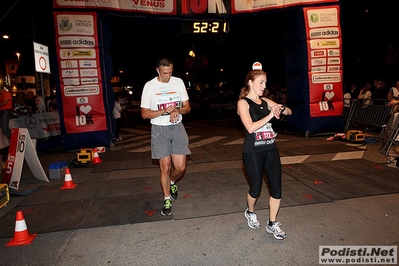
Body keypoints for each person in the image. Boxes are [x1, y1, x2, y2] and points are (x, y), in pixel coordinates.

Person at [237, 68, 292, 240]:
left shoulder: (265, 101)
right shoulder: (243, 103)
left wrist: (280, 109)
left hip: (270, 149)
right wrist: (270, 115)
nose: (264, 86)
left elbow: (289, 111)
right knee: (256, 188)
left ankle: (272, 223)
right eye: (261, 82)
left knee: (276, 187)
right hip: (253, 151)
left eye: (265, 83)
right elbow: (250, 127)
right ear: (250, 82)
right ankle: (250, 212)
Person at [140, 58, 191, 216]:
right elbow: (144, 114)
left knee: (181, 167)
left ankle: (172, 182)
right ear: (157, 70)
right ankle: (167, 198)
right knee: (166, 167)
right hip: (159, 129)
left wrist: (177, 109)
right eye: (164, 73)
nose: (168, 76)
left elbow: (187, 107)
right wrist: (164, 111)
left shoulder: (178, 82)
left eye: (170, 72)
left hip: (177, 127)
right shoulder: (149, 86)